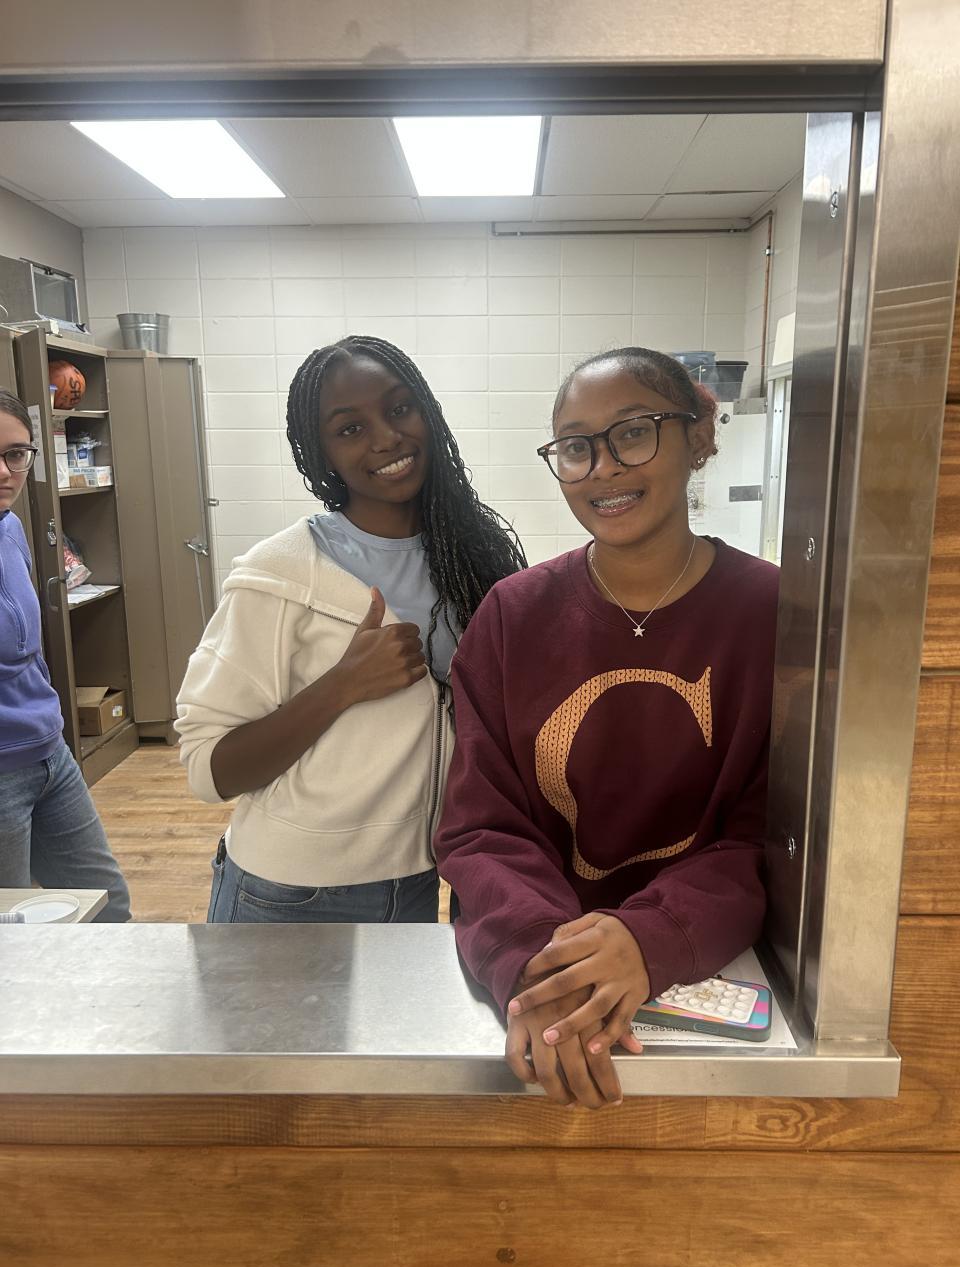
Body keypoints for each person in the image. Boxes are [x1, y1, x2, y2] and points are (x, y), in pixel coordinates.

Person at [435, 348, 778, 1108]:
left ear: (698, 437)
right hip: (541, 983)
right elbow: (481, 826)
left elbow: (766, 834)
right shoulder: (513, 616)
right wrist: (547, 964)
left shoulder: (773, 613)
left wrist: (648, 938)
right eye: (575, 446)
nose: (603, 468)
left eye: (633, 433)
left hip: (706, 967)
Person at [176, 335, 525, 924]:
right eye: (350, 428)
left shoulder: (473, 558)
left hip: (416, 877)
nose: (386, 438)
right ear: (322, 454)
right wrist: (342, 685)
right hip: (289, 893)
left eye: (399, 408)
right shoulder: (281, 573)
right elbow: (208, 769)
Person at [0, 388, 131, 920]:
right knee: (12, 934)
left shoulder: (10, 528)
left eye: (16, 454)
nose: (5, 472)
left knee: (106, 907)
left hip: (49, 754)